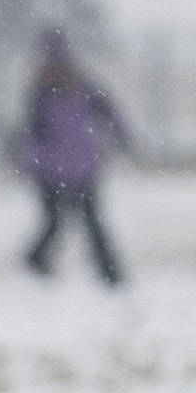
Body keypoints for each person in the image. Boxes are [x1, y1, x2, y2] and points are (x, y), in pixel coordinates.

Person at [17, 29, 132, 284]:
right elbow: (30, 133)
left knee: (76, 223)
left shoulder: (56, 92)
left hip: (70, 168)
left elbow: (29, 133)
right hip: (63, 169)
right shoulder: (54, 93)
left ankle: (105, 272)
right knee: (65, 223)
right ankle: (105, 272)